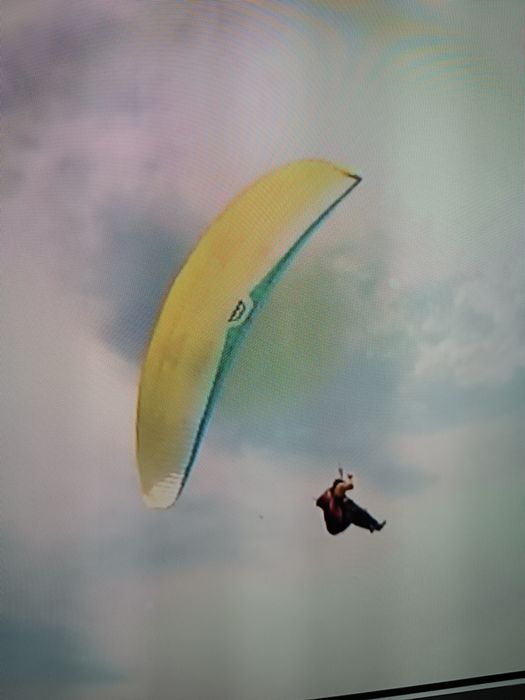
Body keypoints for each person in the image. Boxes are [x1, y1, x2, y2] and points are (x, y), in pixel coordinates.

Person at [316, 469, 386, 536]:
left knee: (354, 515)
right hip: (337, 525)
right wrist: (350, 478)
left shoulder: (335, 494)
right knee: (353, 508)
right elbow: (350, 486)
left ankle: (370, 525)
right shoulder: (339, 487)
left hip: (335, 526)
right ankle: (373, 525)